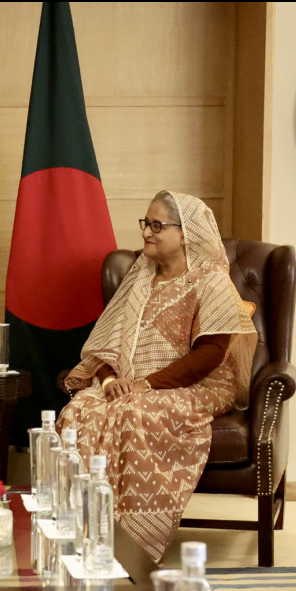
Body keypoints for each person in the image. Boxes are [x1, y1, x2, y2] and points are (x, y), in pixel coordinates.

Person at [60, 191, 257, 562]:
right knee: (80, 412)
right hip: (129, 383)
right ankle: (86, 529)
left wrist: (144, 385)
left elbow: (210, 356)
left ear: (186, 234)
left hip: (201, 383)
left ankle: (132, 543)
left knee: (134, 413)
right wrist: (106, 380)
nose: (147, 233)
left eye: (157, 226)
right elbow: (105, 345)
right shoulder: (140, 277)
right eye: (145, 224)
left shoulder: (211, 283)